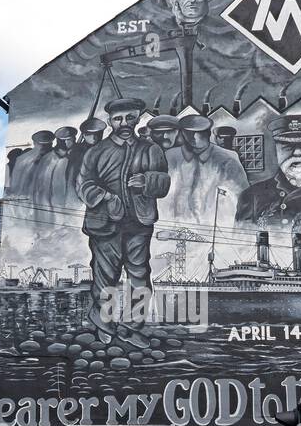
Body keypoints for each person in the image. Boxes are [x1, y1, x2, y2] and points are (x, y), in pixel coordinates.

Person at [76, 97, 171, 341]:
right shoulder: (96, 152)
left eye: (130, 117)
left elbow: (164, 182)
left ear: (138, 118)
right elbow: (83, 185)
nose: (124, 123)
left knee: (139, 276)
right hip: (104, 225)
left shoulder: (152, 150)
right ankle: (104, 327)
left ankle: (133, 328)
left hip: (139, 224)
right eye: (118, 119)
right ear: (110, 121)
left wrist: (147, 181)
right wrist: (106, 196)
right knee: (105, 277)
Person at [164, 113, 248, 220]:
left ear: (208, 133)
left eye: (199, 133)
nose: (194, 137)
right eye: (189, 133)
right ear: (182, 133)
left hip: (213, 226)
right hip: (176, 223)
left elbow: (243, 195)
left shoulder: (227, 158)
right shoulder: (171, 156)